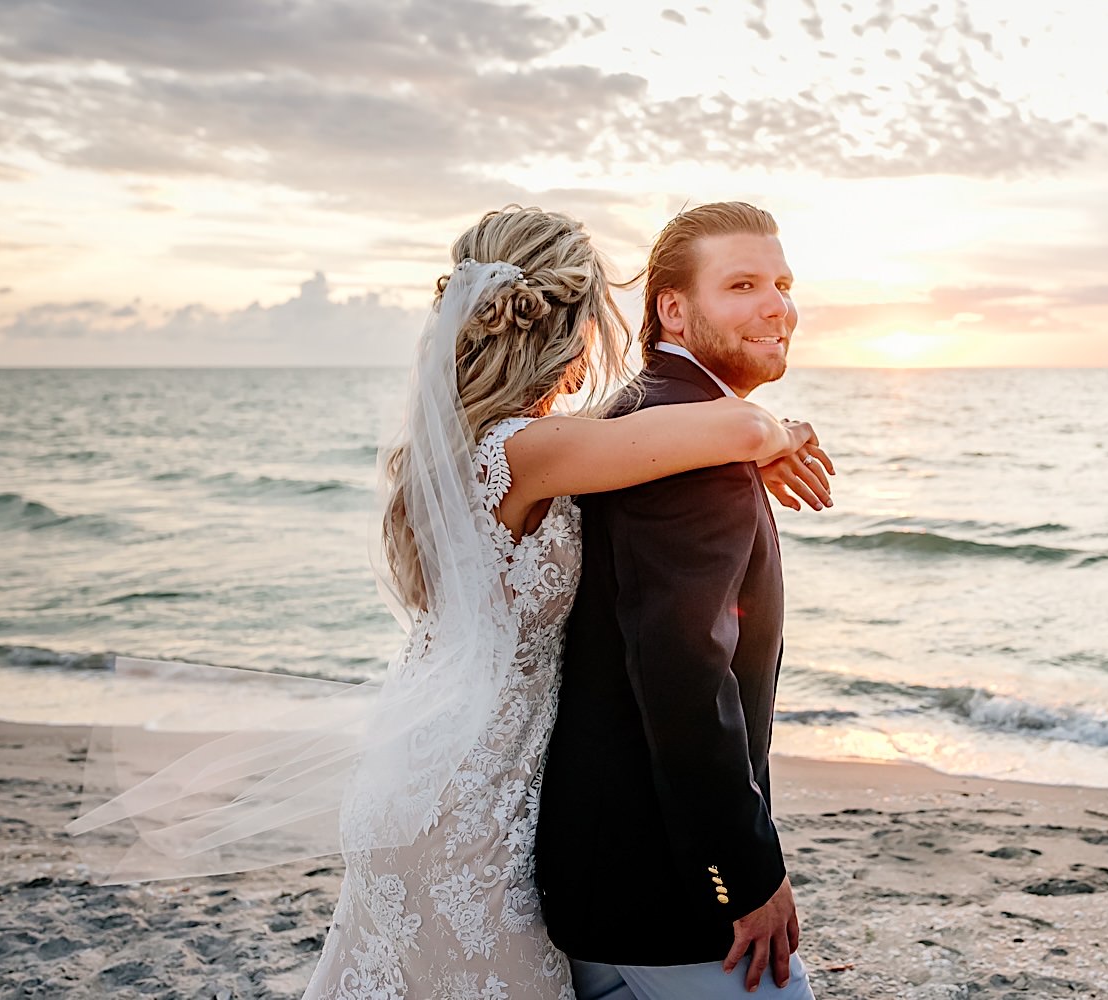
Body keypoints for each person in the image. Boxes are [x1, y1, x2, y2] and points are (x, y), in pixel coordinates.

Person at [65, 206, 833, 1000]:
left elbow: (649, 436)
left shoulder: (477, 447)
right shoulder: (530, 452)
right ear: (566, 329)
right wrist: (771, 434)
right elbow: (734, 430)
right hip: (473, 796)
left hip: (422, 769)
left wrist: (755, 439)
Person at [536, 202, 819, 998]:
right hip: (664, 890)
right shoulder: (696, 445)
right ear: (673, 308)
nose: (777, 305)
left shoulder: (634, 418)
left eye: (783, 283)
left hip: (597, 870)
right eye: (742, 284)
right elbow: (684, 679)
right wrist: (745, 876)